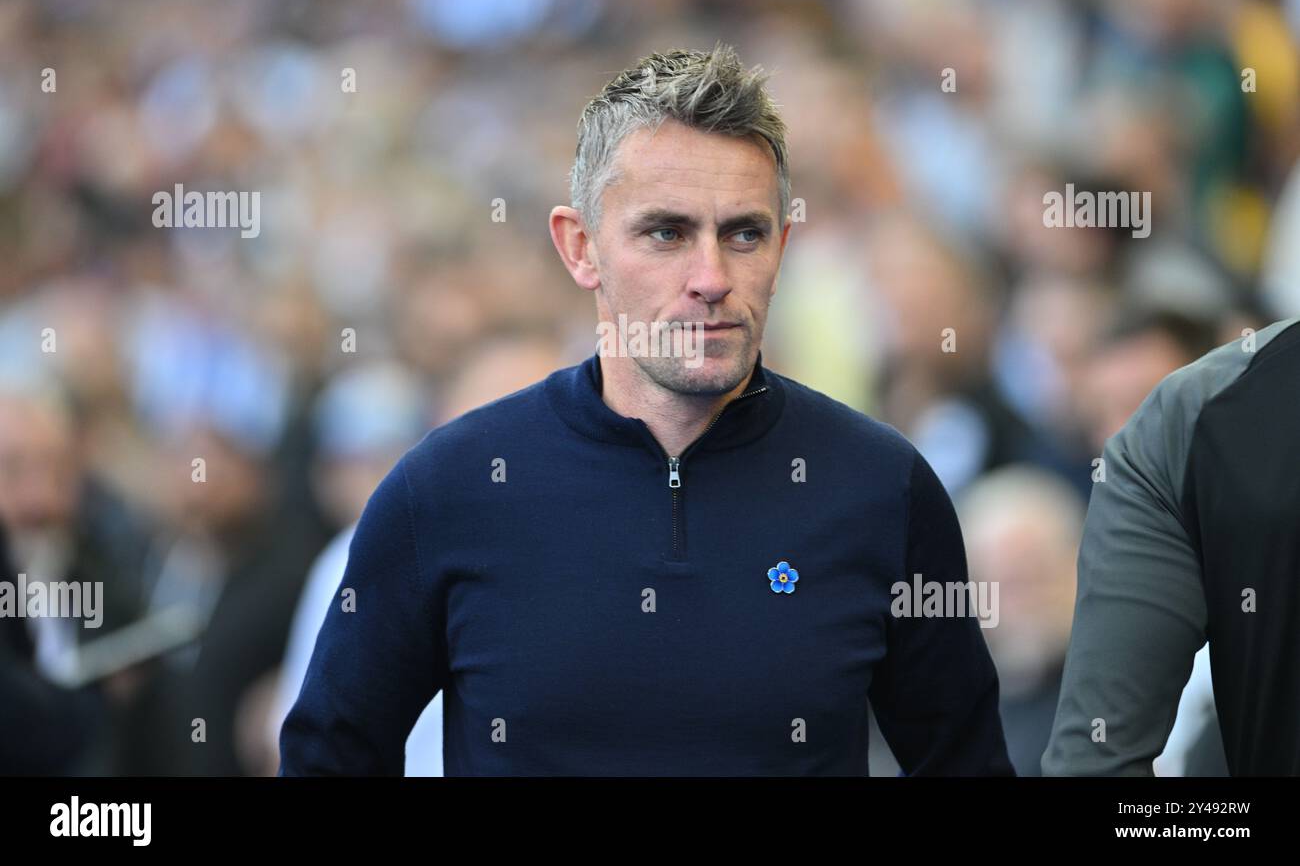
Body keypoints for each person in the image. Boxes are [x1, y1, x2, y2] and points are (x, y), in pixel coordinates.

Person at [280, 43, 1013, 776]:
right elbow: (328, 757)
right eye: (666, 233)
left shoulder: (885, 488)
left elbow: (966, 764)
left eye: (744, 234)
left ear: (783, 248)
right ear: (580, 247)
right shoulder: (446, 488)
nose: (711, 278)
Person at [1043, 316, 1300, 775]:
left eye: (1137, 396)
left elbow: (1092, 764)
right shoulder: (1176, 430)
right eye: (1103, 407)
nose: (1121, 425)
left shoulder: (1198, 412)